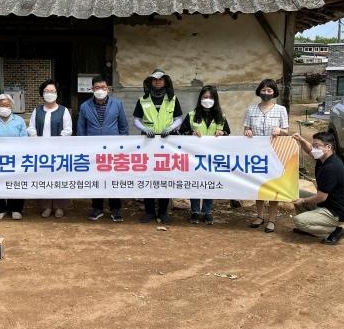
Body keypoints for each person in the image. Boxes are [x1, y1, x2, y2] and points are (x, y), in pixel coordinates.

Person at [133, 68, 183, 224]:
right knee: (147, 176)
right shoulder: (143, 100)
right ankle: (149, 212)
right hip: (147, 142)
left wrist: (171, 128)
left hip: (167, 143)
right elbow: (136, 120)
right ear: (150, 82)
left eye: (161, 79)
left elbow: (179, 118)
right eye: (155, 79)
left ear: (165, 81)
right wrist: (144, 128)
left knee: (165, 177)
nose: (157, 81)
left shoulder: (172, 99)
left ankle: (163, 212)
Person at [77, 75, 129, 222]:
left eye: (103, 87)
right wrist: (83, 147)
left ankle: (115, 209)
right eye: (97, 87)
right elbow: (81, 129)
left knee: (114, 178)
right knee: (96, 178)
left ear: (108, 89)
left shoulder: (117, 104)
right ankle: (97, 208)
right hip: (93, 149)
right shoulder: (85, 106)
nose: (100, 90)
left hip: (113, 149)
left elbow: (123, 126)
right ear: (92, 89)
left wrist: (122, 146)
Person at [180, 85, 230, 225]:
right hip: (194, 156)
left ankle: (207, 212)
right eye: (205, 97)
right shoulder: (191, 115)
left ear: (215, 99)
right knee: (195, 183)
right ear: (200, 98)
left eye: (211, 97)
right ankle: (195, 211)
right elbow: (181, 131)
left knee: (209, 183)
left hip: (213, 156)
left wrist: (222, 133)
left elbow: (227, 132)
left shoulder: (221, 116)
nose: (207, 100)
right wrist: (191, 133)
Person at [244, 78, 289, 233]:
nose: (266, 93)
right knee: (259, 186)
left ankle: (272, 220)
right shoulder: (251, 109)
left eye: (269, 90)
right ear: (259, 91)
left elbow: (286, 131)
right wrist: (247, 131)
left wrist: (280, 131)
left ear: (274, 92)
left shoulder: (281, 109)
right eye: (263, 90)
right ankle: (259, 216)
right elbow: (246, 128)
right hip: (256, 155)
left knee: (273, 186)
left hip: (274, 154)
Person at [291, 132, 344, 244]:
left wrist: (303, 200)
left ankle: (335, 231)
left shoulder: (331, 167)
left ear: (328, 147)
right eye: (314, 145)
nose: (314, 149)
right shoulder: (323, 158)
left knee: (298, 221)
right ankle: (309, 228)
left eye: (317, 146)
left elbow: (321, 197)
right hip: (326, 204)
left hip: (335, 212)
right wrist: (301, 140)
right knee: (296, 193)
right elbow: (309, 150)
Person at [27, 79, 73, 218]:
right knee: (44, 177)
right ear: (42, 93)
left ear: (57, 93)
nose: (49, 93)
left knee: (59, 178)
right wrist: (35, 138)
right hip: (41, 150)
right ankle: (46, 206)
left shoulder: (64, 110)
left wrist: (57, 143)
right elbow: (31, 127)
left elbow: (68, 130)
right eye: (46, 91)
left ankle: (59, 206)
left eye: (52, 91)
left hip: (59, 150)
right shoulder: (37, 110)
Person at [0, 94, 28, 220]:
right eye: (2, 105)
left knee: (16, 182)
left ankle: (16, 209)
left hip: (16, 158)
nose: (4, 107)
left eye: (7, 105)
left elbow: (25, 140)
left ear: (11, 107)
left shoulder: (19, 121)